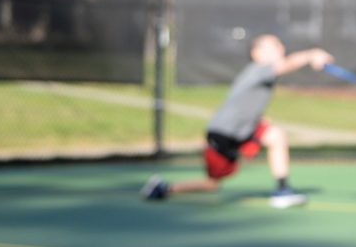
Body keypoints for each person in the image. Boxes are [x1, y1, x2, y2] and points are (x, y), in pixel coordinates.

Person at [141, 34, 333, 208]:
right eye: (273, 46)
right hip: (222, 134)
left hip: (245, 130)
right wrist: (311, 55)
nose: (280, 48)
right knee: (211, 184)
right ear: (256, 54)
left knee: (276, 135)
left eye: (280, 45)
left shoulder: (264, 74)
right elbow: (286, 65)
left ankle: (282, 190)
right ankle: (164, 188)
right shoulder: (258, 70)